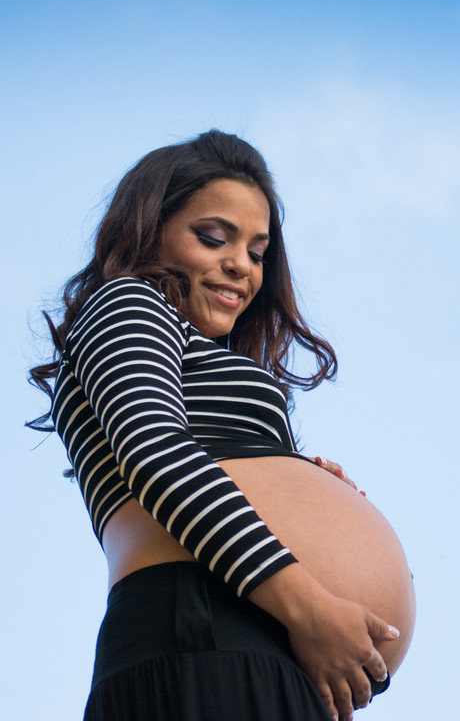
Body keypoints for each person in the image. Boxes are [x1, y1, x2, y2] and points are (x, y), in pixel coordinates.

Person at [28, 130, 416, 721]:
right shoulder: (128, 301)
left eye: (258, 252)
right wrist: (312, 606)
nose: (240, 263)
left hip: (255, 640)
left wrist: (307, 490)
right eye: (214, 238)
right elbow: (156, 452)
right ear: (149, 229)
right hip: (204, 627)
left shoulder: (206, 357)